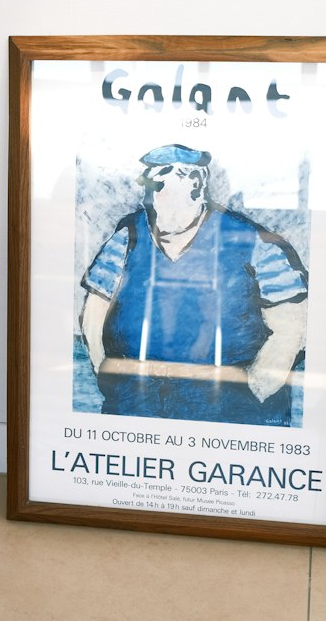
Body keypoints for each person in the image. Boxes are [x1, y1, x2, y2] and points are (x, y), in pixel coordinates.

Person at [80, 144, 307, 425]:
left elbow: (291, 325)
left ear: (196, 185)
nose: (147, 199)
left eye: (159, 186)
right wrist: (108, 377)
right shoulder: (128, 236)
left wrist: (257, 390)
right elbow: (93, 315)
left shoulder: (251, 241)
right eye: (146, 188)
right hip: (136, 407)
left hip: (233, 413)